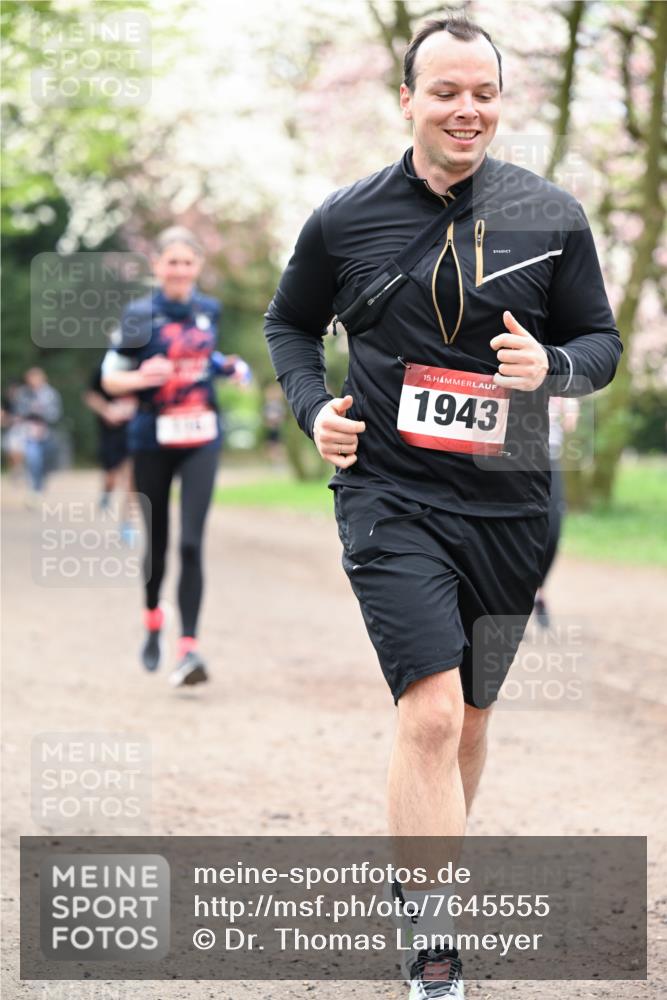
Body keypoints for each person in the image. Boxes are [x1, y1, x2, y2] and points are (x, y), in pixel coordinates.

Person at [265, 17, 621, 998]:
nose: (467, 109)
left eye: (484, 93)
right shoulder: (346, 218)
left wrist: (552, 366)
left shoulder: (550, 214)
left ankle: (424, 877)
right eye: (446, 91)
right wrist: (312, 409)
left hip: (512, 507)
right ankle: (432, 939)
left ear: (499, 102)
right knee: (425, 714)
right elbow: (291, 324)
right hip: (390, 493)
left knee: (467, 718)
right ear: (407, 102)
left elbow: (600, 342)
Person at [101, 226, 249, 688]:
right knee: (159, 544)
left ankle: (189, 648)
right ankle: (151, 621)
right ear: (157, 266)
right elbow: (111, 380)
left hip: (202, 435)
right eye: (172, 262)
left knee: (191, 542)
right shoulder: (137, 316)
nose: (180, 270)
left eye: (188, 262)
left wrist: (231, 365)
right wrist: (143, 376)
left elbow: (201, 358)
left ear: (198, 267)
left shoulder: (208, 310)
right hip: (152, 440)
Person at [533, 395, 580, 627]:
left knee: (552, 530)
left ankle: (538, 590)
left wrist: (566, 403)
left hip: (549, 454)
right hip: (511, 454)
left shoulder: (559, 371)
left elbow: (571, 419)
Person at [83, 361, 137, 540]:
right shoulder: (105, 368)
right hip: (111, 433)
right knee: (111, 477)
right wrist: (106, 411)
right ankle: (106, 492)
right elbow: (90, 395)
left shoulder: (144, 363)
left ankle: (127, 524)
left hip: (136, 432)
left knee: (131, 480)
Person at [12, 368, 63, 502]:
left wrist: (42, 416)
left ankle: (39, 486)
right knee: (33, 459)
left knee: (45, 463)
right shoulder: (23, 393)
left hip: (47, 432)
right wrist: (30, 414)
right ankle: (34, 490)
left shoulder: (51, 394)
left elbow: (55, 414)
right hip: (28, 432)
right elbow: (18, 411)